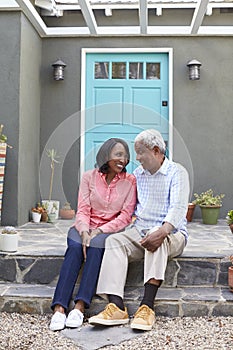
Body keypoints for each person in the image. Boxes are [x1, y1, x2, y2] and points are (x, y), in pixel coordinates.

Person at [89, 129, 190, 331]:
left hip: (173, 233)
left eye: (140, 152)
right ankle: (116, 306)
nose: (136, 158)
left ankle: (147, 307)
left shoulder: (177, 172)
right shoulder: (137, 175)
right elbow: (127, 209)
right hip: (140, 230)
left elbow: (178, 209)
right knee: (114, 241)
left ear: (155, 150)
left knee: (156, 236)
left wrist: (162, 231)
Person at [49, 138, 137, 331]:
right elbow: (82, 208)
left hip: (108, 230)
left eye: (125, 155)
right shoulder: (89, 176)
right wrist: (84, 230)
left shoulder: (130, 181)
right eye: (118, 154)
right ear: (106, 156)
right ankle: (59, 308)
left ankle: (80, 307)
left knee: (96, 247)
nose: (123, 159)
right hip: (84, 225)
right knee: (74, 248)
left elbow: (125, 216)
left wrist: (98, 231)